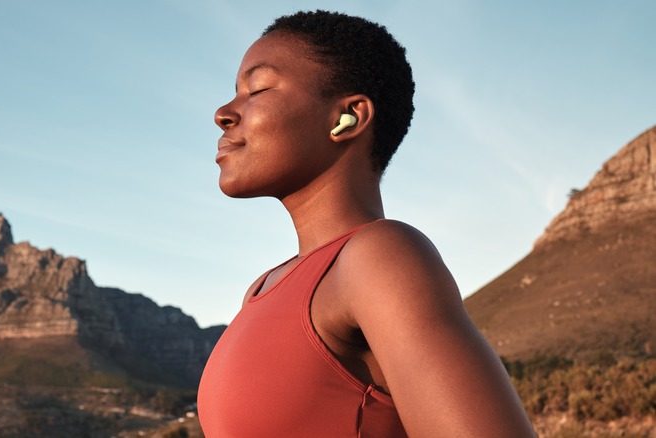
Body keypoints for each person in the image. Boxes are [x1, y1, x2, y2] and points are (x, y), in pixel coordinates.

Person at [197, 10, 535, 437]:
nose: (223, 113)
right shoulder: (261, 290)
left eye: (257, 89)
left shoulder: (379, 257)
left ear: (349, 118)